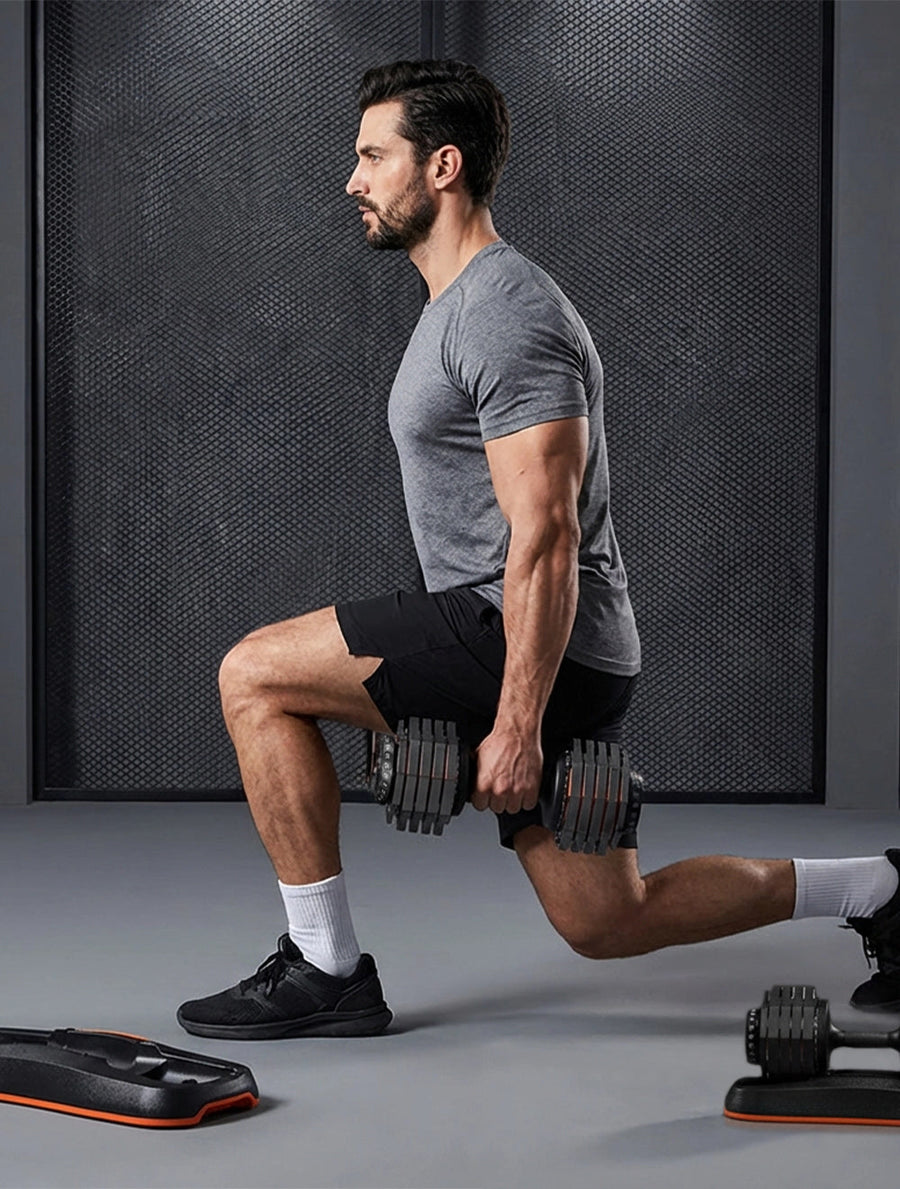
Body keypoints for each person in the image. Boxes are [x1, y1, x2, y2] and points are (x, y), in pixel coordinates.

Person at [176, 60, 900, 1040]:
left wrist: (513, 727)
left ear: (441, 166)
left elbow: (548, 531)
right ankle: (884, 887)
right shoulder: (458, 304)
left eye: (371, 155)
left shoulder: (505, 313)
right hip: (558, 649)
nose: (353, 179)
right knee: (608, 919)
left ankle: (325, 964)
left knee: (254, 675)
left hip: (508, 627)